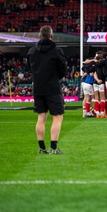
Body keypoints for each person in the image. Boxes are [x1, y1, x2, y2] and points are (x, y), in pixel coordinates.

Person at [27, 25, 67, 154]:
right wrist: (55, 77)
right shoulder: (56, 50)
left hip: (38, 87)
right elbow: (63, 69)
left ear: (39, 35)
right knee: (57, 117)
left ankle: (42, 148)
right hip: (52, 87)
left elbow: (30, 69)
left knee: (41, 117)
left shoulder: (32, 51)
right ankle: (54, 148)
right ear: (51, 35)